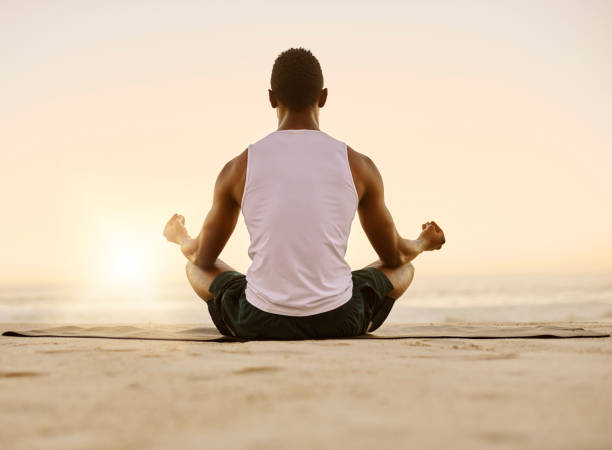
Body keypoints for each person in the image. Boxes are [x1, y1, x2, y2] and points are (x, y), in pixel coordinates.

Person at [163, 47, 445, 339]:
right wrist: (423, 242)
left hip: (257, 321)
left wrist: (180, 236)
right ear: (323, 97)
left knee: (193, 268)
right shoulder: (360, 166)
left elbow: (201, 258)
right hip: (338, 320)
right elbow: (395, 255)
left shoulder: (237, 168)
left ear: (271, 98)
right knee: (404, 269)